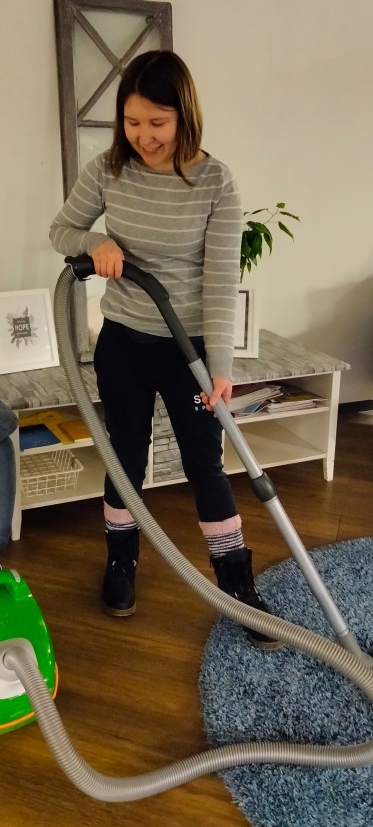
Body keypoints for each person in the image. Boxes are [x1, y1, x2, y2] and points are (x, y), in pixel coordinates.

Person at [49, 49, 281, 650]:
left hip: (189, 350)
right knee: (125, 455)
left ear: (184, 116)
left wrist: (221, 370)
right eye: (132, 122)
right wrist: (96, 242)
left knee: (204, 462)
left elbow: (220, 282)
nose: (144, 136)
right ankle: (121, 562)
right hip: (123, 342)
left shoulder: (215, 182)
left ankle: (236, 583)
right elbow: (60, 230)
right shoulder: (108, 170)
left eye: (158, 122)